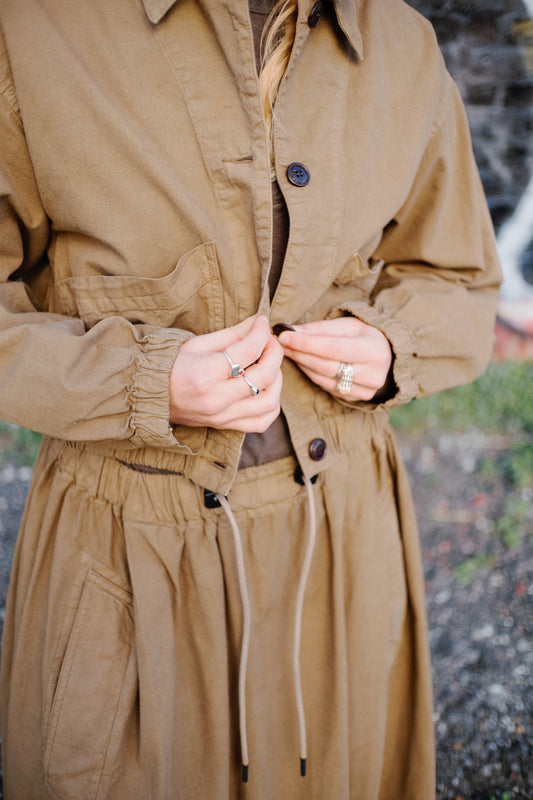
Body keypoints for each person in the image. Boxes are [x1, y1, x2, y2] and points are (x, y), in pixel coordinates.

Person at [0, 0, 501, 797]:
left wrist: (390, 345)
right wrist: (140, 381)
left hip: (346, 546)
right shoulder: (32, 28)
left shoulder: (402, 43)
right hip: (127, 557)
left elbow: (459, 279)